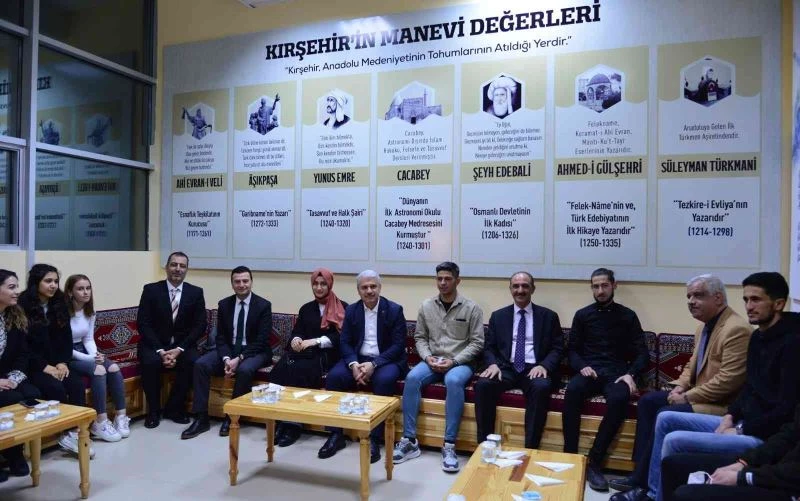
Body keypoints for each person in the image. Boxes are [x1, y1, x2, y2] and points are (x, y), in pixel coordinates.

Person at [644, 272, 800, 500]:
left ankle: (658, 495)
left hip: (762, 435)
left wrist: (740, 429)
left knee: (673, 440)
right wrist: (730, 417)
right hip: (739, 420)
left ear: (778, 304)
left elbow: (785, 411)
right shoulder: (758, 337)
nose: (749, 306)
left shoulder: (792, 344)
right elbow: (749, 387)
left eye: (756, 299)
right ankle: (651, 492)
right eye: (746, 299)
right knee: (665, 417)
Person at [610, 275, 751, 501]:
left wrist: (687, 397)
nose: (691, 301)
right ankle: (640, 474)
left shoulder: (736, 329)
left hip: (720, 405)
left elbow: (728, 381)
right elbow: (691, 366)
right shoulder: (703, 328)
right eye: (689, 296)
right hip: (699, 396)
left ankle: (648, 489)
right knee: (648, 402)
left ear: (718, 298)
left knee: (664, 412)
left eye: (698, 295)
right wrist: (679, 387)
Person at [562, 267, 648, 492]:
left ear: (614, 286)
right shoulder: (583, 315)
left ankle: (594, 462)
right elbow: (572, 350)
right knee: (572, 391)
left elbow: (642, 353)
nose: (600, 290)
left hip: (617, 372)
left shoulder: (628, 315)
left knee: (620, 398)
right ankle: (570, 456)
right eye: (596, 286)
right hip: (589, 371)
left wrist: (631, 374)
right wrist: (582, 366)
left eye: (604, 285)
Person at [393, 262, 484, 473]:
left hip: (460, 362)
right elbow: (420, 337)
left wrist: (454, 361)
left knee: (453, 380)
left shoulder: (472, 308)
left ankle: (449, 445)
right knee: (412, 378)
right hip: (432, 360)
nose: (442, 283)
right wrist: (427, 357)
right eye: (439, 279)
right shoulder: (426, 306)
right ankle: (409, 440)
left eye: (447, 279)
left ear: (457, 281)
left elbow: (477, 343)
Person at [317, 270, 406, 464]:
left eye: (373, 286)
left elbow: (398, 345)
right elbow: (345, 342)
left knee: (384, 380)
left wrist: (374, 364)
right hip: (358, 359)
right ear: (358, 290)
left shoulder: (394, 310)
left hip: (385, 360)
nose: (369, 291)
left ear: (380, 288)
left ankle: (375, 438)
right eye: (364, 287)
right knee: (334, 377)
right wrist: (354, 364)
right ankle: (336, 434)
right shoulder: (352, 310)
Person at [474, 272, 563, 449]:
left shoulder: (549, 316)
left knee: (541, 387)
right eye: (516, 286)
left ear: (533, 289)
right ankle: (485, 447)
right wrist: (492, 364)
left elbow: (558, 347)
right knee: (483, 385)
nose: (520, 290)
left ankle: (531, 448)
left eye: (525, 286)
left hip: (534, 368)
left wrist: (544, 365)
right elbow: (489, 347)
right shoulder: (498, 316)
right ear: (510, 289)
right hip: (505, 368)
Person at [182, 266, 272, 439]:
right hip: (228, 350)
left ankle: (232, 417)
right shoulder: (224, 304)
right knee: (201, 364)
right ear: (232, 284)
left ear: (251, 282)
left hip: (255, 351)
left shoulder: (263, 305)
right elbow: (221, 337)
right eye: (237, 281)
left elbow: (261, 340)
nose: (241, 285)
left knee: (245, 369)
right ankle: (201, 418)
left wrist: (239, 358)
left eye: (245, 281)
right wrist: (226, 358)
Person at [19, 264, 92, 457]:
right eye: (48, 281)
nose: (53, 285)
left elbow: (65, 339)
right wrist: (44, 366)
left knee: (76, 384)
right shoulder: (22, 305)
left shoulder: (59, 303)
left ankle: (75, 432)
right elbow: (22, 345)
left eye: (55, 281)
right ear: (36, 282)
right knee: (55, 387)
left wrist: (62, 362)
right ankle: (64, 432)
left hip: (57, 363)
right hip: (33, 366)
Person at [269, 268, 347, 447]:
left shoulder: (343, 307)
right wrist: (296, 339)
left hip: (327, 355)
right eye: (315, 284)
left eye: (323, 284)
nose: (319, 288)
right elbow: (298, 331)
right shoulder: (306, 308)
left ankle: (294, 425)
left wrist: (316, 341)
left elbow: (342, 337)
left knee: (300, 371)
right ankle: (281, 420)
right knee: (279, 370)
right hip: (305, 353)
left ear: (330, 285)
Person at [660, 401, 800, 501]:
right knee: (673, 465)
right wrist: (744, 462)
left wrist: (743, 477)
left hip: (786, 485)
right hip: (773, 466)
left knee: (686, 494)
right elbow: (788, 435)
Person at [137, 251, 207, 429]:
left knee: (193, 362)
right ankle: (153, 411)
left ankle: (174, 408)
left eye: (182, 266)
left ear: (187, 269)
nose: (178, 269)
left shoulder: (196, 292)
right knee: (150, 362)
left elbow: (200, 325)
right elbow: (143, 323)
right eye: (174, 264)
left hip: (182, 345)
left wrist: (179, 349)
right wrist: (161, 351)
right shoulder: (151, 290)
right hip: (154, 344)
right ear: (167, 267)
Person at [66, 274, 130, 443]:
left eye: (88, 288)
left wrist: (96, 355)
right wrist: (92, 360)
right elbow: (65, 347)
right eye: (80, 289)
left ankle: (120, 416)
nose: (85, 292)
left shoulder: (90, 311)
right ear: (70, 292)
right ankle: (100, 422)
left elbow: (88, 339)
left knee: (113, 367)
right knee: (99, 370)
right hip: (68, 355)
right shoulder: (63, 313)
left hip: (85, 350)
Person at [0, 269, 41, 482]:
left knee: (33, 393)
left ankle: (14, 451)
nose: (17, 291)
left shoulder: (15, 316)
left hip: (8, 376)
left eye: (17, 286)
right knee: (11, 398)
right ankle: (12, 454)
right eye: (11, 287)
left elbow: (23, 354)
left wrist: (15, 378)